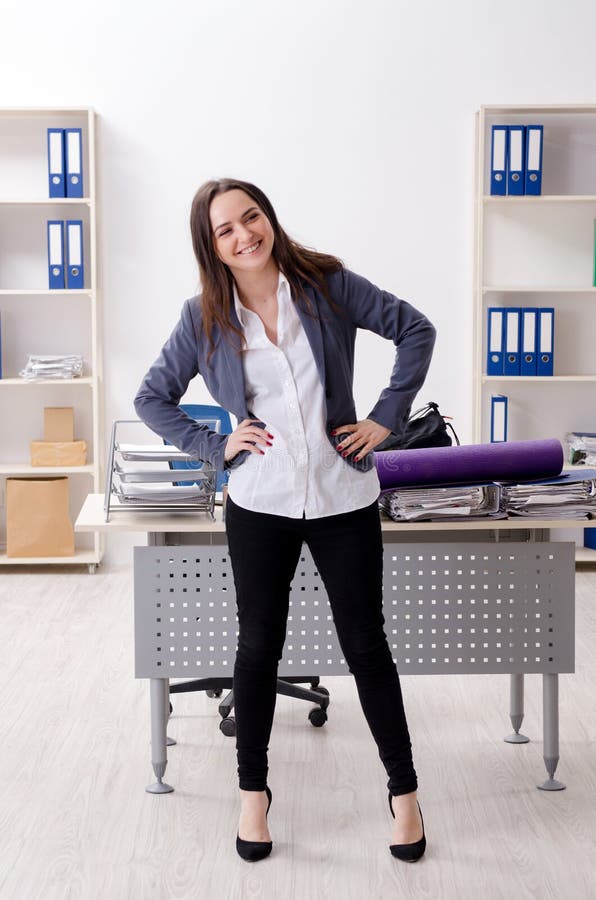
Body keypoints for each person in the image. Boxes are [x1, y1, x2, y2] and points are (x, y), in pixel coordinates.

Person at [134, 178, 436, 863]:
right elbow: (152, 397)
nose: (245, 234)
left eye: (252, 217)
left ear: (268, 218)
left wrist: (386, 418)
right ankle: (253, 795)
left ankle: (405, 793)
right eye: (226, 229)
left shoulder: (327, 286)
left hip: (342, 495)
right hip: (260, 502)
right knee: (257, 648)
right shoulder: (203, 318)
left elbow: (415, 329)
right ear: (211, 246)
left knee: (366, 646)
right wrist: (215, 446)